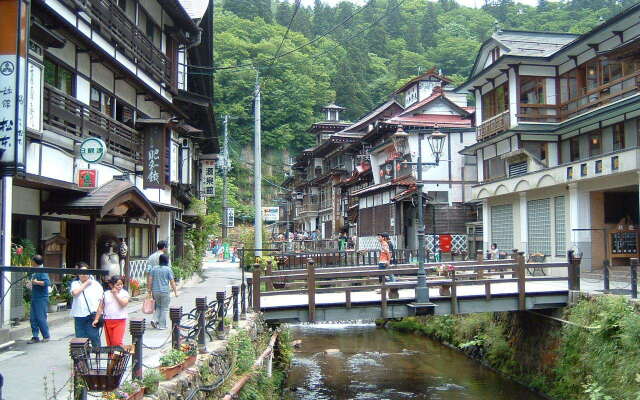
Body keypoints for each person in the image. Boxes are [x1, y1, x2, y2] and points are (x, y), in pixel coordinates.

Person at [70, 263, 103, 347]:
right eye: (81, 272)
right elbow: (75, 293)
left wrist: (98, 316)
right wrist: (86, 284)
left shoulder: (96, 284)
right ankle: (83, 358)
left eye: (85, 272)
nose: (83, 274)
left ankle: (97, 356)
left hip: (92, 315)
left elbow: (101, 301)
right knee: (80, 338)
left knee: (94, 336)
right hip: (79, 315)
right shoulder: (75, 284)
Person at [94, 275, 129, 346]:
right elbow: (101, 307)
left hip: (120, 320)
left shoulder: (124, 293)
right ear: (111, 285)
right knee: (109, 343)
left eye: (121, 284)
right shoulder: (105, 294)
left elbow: (123, 304)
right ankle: (111, 356)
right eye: (117, 285)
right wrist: (96, 319)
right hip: (108, 320)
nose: (120, 286)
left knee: (117, 342)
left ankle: (117, 356)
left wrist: (116, 295)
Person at [148, 254, 178, 330]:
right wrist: (175, 292)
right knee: (164, 308)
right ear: (167, 261)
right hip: (164, 291)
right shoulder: (168, 269)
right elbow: (172, 281)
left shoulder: (154, 269)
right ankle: (162, 325)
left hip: (155, 291)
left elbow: (150, 280)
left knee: (158, 306)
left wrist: (149, 291)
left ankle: (154, 320)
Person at [146, 240, 170, 327]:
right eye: (166, 246)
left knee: (156, 303)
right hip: (163, 285)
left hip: (153, 285)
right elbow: (168, 271)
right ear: (164, 247)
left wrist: (148, 285)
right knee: (163, 306)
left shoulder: (151, 257)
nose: (166, 248)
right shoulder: (165, 257)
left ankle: (156, 320)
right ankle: (159, 322)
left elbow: (148, 271)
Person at [28, 255, 51, 344]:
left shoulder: (42, 270)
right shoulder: (35, 270)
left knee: (40, 317)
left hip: (41, 298)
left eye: (32, 261)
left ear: (35, 262)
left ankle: (46, 335)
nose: (31, 262)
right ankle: (35, 336)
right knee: (33, 318)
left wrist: (36, 282)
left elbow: (47, 282)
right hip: (35, 296)